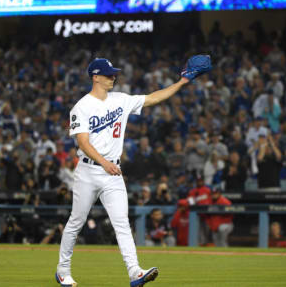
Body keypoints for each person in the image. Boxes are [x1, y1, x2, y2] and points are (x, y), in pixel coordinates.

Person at [56, 57, 201, 287]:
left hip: (112, 171)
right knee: (76, 221)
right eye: (108, 74)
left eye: (114, 73)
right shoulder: (81, 107)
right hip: (88, 170)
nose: (113, 77)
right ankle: (63, 270)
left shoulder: (121, 100)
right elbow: (83, 143)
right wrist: (104, 162)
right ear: (95, 76)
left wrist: (181, 82)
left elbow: (154, 97)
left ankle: (135, 272)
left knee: (122, 222)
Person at [187, 177, 211, 246]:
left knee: (207, 230)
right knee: (198, 231)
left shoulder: (207, 190)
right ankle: (199, 244)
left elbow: (210, 201)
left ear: (203, 181)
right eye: (198, 181)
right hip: (196, 215)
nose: (199, 182)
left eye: (201, 181)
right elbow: (191, 203)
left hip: (207, 214)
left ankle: (205, 244)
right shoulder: (192, 191)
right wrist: (195, 203)